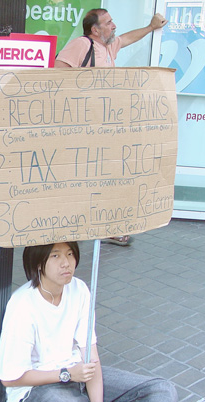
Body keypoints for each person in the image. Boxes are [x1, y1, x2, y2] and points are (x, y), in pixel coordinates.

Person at [0, 242, 187, 402]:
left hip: (79, 373)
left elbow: (91, 356)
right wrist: (67, 374)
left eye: (69, 254)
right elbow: (9, 378)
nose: (66, 263)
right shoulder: (23, 305)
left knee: (162, 392)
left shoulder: (79, 290)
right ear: (38, 263)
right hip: (37, 389)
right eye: (55, 256)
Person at [55, 9, 168, 247]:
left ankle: (103, 225)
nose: (114, 26)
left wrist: (150, 27)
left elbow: (127, 38)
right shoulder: (81, 45)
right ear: (95, 30)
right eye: (108, 23)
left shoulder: (108, 47)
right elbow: (58, 73)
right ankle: (77, 224)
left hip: (104, 127)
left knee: (106, 176)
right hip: (84, 126)